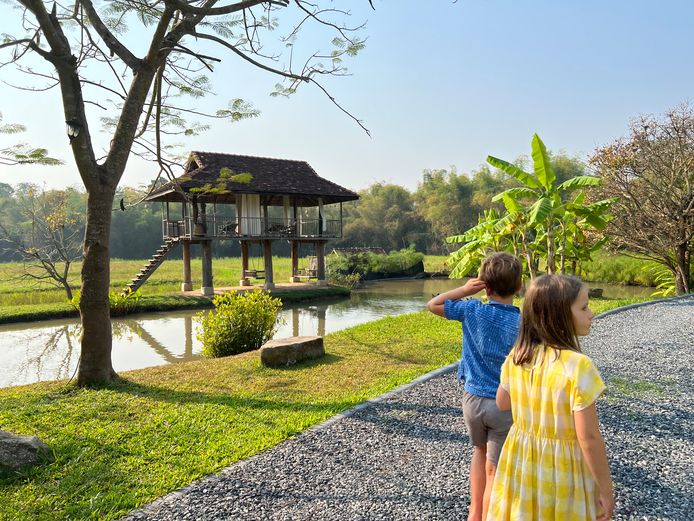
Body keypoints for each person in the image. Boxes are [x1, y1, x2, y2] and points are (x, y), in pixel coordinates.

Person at [488, 274, 614, 521]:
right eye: (584, 307)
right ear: (559, 315)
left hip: (522, 463)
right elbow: (587, 437)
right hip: (562, 469)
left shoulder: (518, 357)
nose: (592, 314)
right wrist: (606, 489)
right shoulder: (578, 366)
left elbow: (502, 402)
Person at [427, 252, 522, 521]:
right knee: (495, 468)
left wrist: (465, 289)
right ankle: (489, 514)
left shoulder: (471, 310)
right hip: (504, 405)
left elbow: (433, 304)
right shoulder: (522, 323)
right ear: (519, 286)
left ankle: (474, 512)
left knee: (478, 452)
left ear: (484, 285)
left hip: (472, 401)